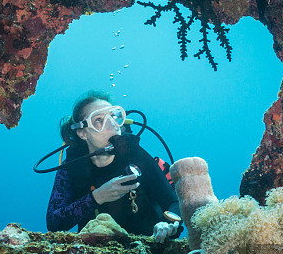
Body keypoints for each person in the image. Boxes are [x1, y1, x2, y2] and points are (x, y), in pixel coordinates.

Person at [46, 91, 182, 242]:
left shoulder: (136, 156)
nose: (112, 125)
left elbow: (173, 202)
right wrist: (97, 197)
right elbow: (54, 222)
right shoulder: (73, 167)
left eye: (113, 116)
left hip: (149, 249)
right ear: (82, 133)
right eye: (98, 120)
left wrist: (168, 224)